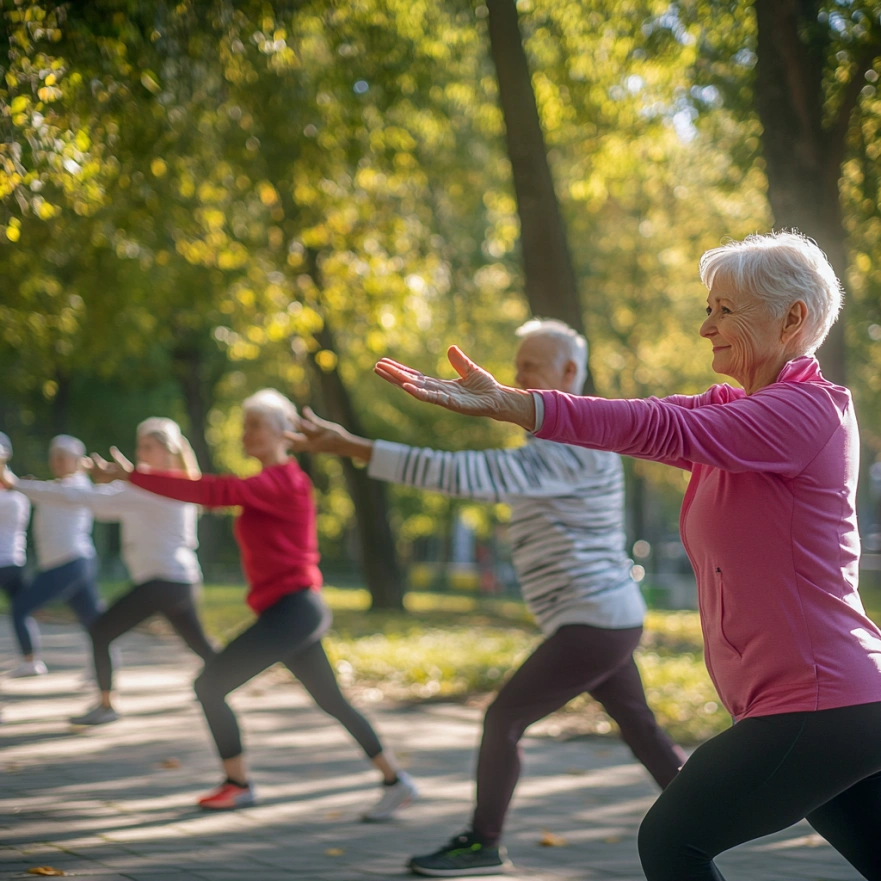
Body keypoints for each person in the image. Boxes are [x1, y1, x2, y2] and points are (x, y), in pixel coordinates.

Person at [376, 231, 881, 880]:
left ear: (791, 318)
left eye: (724, 310)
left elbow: (660, 427)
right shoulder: (738, 410)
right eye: (708, 308)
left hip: (820, 700)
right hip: (825, 703)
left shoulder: (806, 411)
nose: (705, 327)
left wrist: (514, 404)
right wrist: (521, 412)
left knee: (673, 841)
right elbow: (640, 419)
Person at [288, 319, 685, 877]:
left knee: (502, 719)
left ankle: (482, 843)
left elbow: (464, 473)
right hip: (602, 619)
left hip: (594, 621)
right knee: (641, 728)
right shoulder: (554, 439)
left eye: (531, 367)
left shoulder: (575, 442)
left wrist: (352, 445)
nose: (516, 376)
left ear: (569, 373)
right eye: (517, 363)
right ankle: (715, 816)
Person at [94, 389, 418, 819]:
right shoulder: (268, 483)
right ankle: (396, 781)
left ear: (283, 432)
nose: (245, 433)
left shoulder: (283, 481)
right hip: (290, 611)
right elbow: (220, 491)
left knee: (209, 686)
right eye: (244, 424)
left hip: (295, 609)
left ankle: (237, 784)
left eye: (255, 425)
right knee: (332, 701)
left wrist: (136, 476)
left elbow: (214, 491)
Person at [1, 418, 215, 726]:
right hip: (181, 581)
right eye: (139, 445)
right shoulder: (175, 482)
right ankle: (229, 677)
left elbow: (83, 499)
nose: (140, 452)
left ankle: (105, 706)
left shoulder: (153, 488)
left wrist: (16, 483)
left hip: (163, 582)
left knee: (101, 631)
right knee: (200, 646)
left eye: (148, 447)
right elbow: (105, 499)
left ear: (168, 451)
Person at [4, 435, 102, 678]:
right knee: (95, 621)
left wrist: (16, 483)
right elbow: (47, 492)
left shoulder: (78, 486)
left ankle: (30, 662)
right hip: (70, 563)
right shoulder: (57, 487)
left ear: (77, 461)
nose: (56, 462)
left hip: (69, 563)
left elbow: (51, 492)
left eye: (62, 457)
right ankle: (104, 665)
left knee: (20, 607)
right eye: (53, 457)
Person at [0, 433, 31, 682]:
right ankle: (31, 659)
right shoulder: (19, 491)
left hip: (5, 561)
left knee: (20, 610)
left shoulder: (13, 494)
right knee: (21, 611)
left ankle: (31, 660)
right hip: (16, 561)